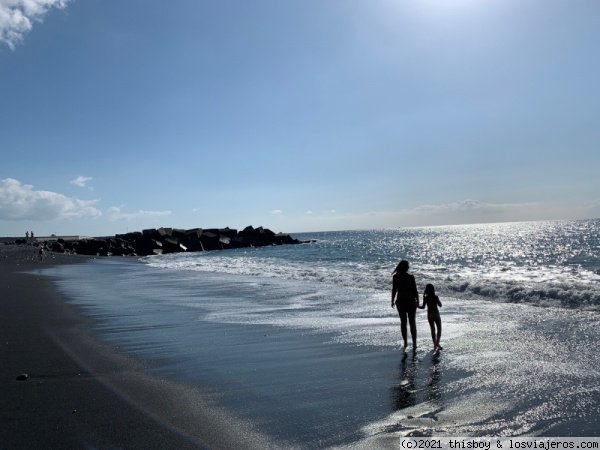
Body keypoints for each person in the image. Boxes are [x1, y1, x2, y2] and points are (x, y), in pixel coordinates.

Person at [391, 260, 419, 351]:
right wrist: (418, 300)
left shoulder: (396, 277)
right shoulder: (411, 277)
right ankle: (414, 343)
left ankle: (405, 342)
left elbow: (394, 290)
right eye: (408, 266)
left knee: (403, 322)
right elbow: (415, 290)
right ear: (406, 267)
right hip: (411, 301)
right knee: (412, 322)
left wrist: (392, 301)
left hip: (401, 301)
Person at [419, 284, 443, 351]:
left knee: (433, 330)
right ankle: (437, 342)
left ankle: (434, 344)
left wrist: (417, 305)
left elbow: (423, 307)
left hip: (429, 315)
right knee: (439, 329)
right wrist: (438, 300)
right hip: (436, 314)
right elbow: (440, 305)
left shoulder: (426, 298)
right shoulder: (435, 297)